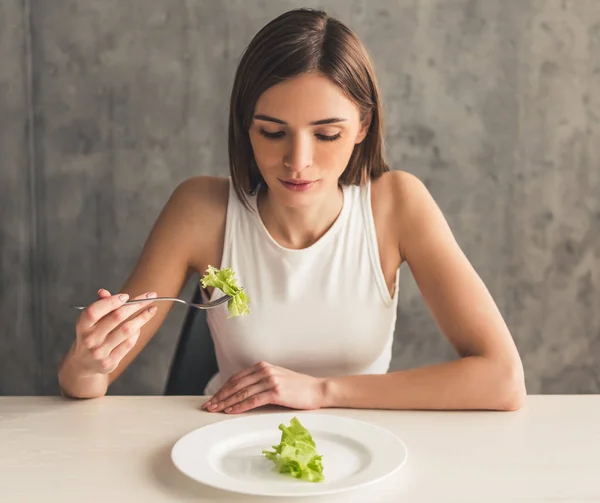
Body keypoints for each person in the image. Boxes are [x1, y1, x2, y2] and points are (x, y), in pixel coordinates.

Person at [58, 8, 526, 412]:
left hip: (362, 449)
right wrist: (86, 361)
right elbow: (89, 384)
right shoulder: (199, 210)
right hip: (226, 446)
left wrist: (322, 391)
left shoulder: (397, 204)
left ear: (363, 125)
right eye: (272, 132)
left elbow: (502, 380)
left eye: (326, 135)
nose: (298, 162)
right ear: (246, 126)